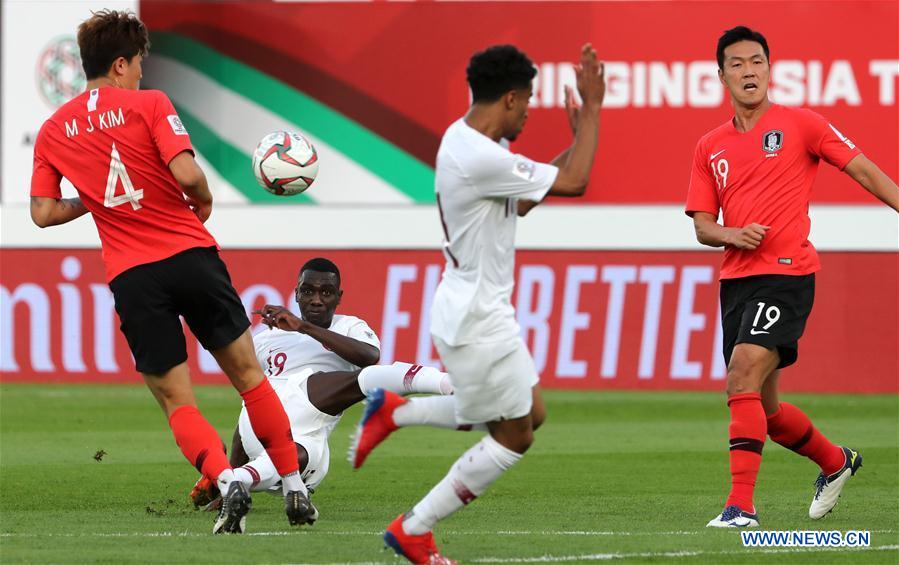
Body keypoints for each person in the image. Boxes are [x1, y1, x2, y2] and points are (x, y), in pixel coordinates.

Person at [28, 10, 315, 534]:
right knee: (250, 379)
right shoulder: (150, 104)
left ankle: (227, 480)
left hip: (132, 276)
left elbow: (43, 213)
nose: (141, 74)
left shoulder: (52, 130)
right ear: (119, 64)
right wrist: (201, 200)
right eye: (138, 64)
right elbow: (187, 173)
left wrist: (93, 201)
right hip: (189, 256)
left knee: (177, 402)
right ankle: (295, 487)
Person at [352, 44, 606, 564]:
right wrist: (595, 110)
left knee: (530, 413)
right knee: (515, 436)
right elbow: (576, 183)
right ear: (510, 99)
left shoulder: (467, 143)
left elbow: (534, 194)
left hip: (476, 309)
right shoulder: (479, 155)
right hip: (476, 318)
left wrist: (578, 137)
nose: (532, 112)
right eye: (529, 101)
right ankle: (414, 528)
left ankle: (396, 411)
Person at [686, 26, 898, 528]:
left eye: (756, 61)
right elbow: (702, 226)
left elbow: (863, 169)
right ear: (722, 76)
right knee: (766, 406)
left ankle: (740, 507)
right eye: (736, 64)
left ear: (769, 68)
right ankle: (835, 461)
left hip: (787, 274)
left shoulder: (802, 124)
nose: (748, 71)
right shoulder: (709, 146)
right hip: (736, 281)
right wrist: (731, 234)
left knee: (740, 372)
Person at [189, 258, 454, 517]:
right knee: (266, 397)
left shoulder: (349, 326)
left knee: (314, 452)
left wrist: (304, 327)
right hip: (266, 422)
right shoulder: (267, 339)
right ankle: (449, 383)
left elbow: (369, 356)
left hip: (308, 429)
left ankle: (234, 480)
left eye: (326, 292)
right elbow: (249, 403)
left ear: (339, 297)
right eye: (308, 291)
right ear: (296, 294)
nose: (316, 299)